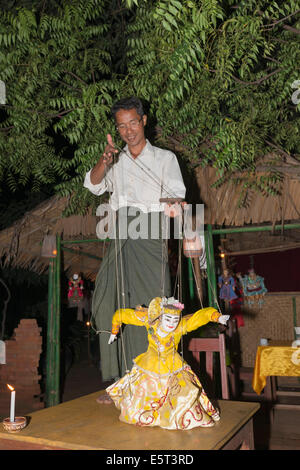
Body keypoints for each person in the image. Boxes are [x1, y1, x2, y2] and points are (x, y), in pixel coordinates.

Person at [83, 97, 186, 396]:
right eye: (121, 126)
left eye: (132, 123)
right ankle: (120, 380)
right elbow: (93, 184)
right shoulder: (115, 161)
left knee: (154, 308)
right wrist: (104, 161)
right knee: (108, 303)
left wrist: (173, 209)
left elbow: (176, 196)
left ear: (143, 121)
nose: (128, 131)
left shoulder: (165, 159)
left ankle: (155, 381)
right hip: (120, 233)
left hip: (150, 231)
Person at [105, 296, 230, 430]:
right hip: (150, 363)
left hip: (173, 364)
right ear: (160, 317)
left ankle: (179, 417)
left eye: (175, 320)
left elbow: (200, 317)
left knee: (185, 390)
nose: (172, 323)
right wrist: (114, 331)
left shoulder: (180, 327)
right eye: (168, 319)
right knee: (142, 390)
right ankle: (144, 414)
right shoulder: (150, 321)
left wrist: (216, 317)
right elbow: (123, 315)